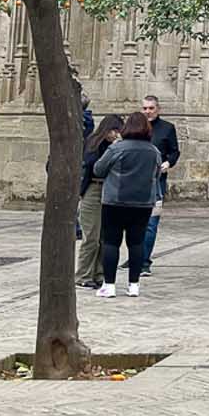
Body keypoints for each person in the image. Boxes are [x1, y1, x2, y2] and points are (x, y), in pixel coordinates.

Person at [90, 112, 162, 298]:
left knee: (111, 242)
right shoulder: (153, 151)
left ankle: (109, 285)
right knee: (136, 243)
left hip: (115, 201)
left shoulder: (117, 148)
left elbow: (98, 169)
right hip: (143, 203)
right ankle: (134, 285)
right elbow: (156, 175)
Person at [75, 113, 124, 289]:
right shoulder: (94, 143)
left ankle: (99, 273)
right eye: (113, 131)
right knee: (91, 236)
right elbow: (95, 167)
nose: (115, 135)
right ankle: (83, 274)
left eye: (118, 131)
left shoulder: (117, 146)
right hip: (93, 190)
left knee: (105, 236)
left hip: (110, 190)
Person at [138, 94, 180, 276]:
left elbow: (174, 152)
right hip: (136, 182)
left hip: (156, 182)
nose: (148, 112)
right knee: (135, 223)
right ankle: (136, 256)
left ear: (158, 109)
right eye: (145, 108)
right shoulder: (136, 127)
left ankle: (144, 261)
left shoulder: (167, 128)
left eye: (151, 108)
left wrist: (168, 163)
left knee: (151, 223)